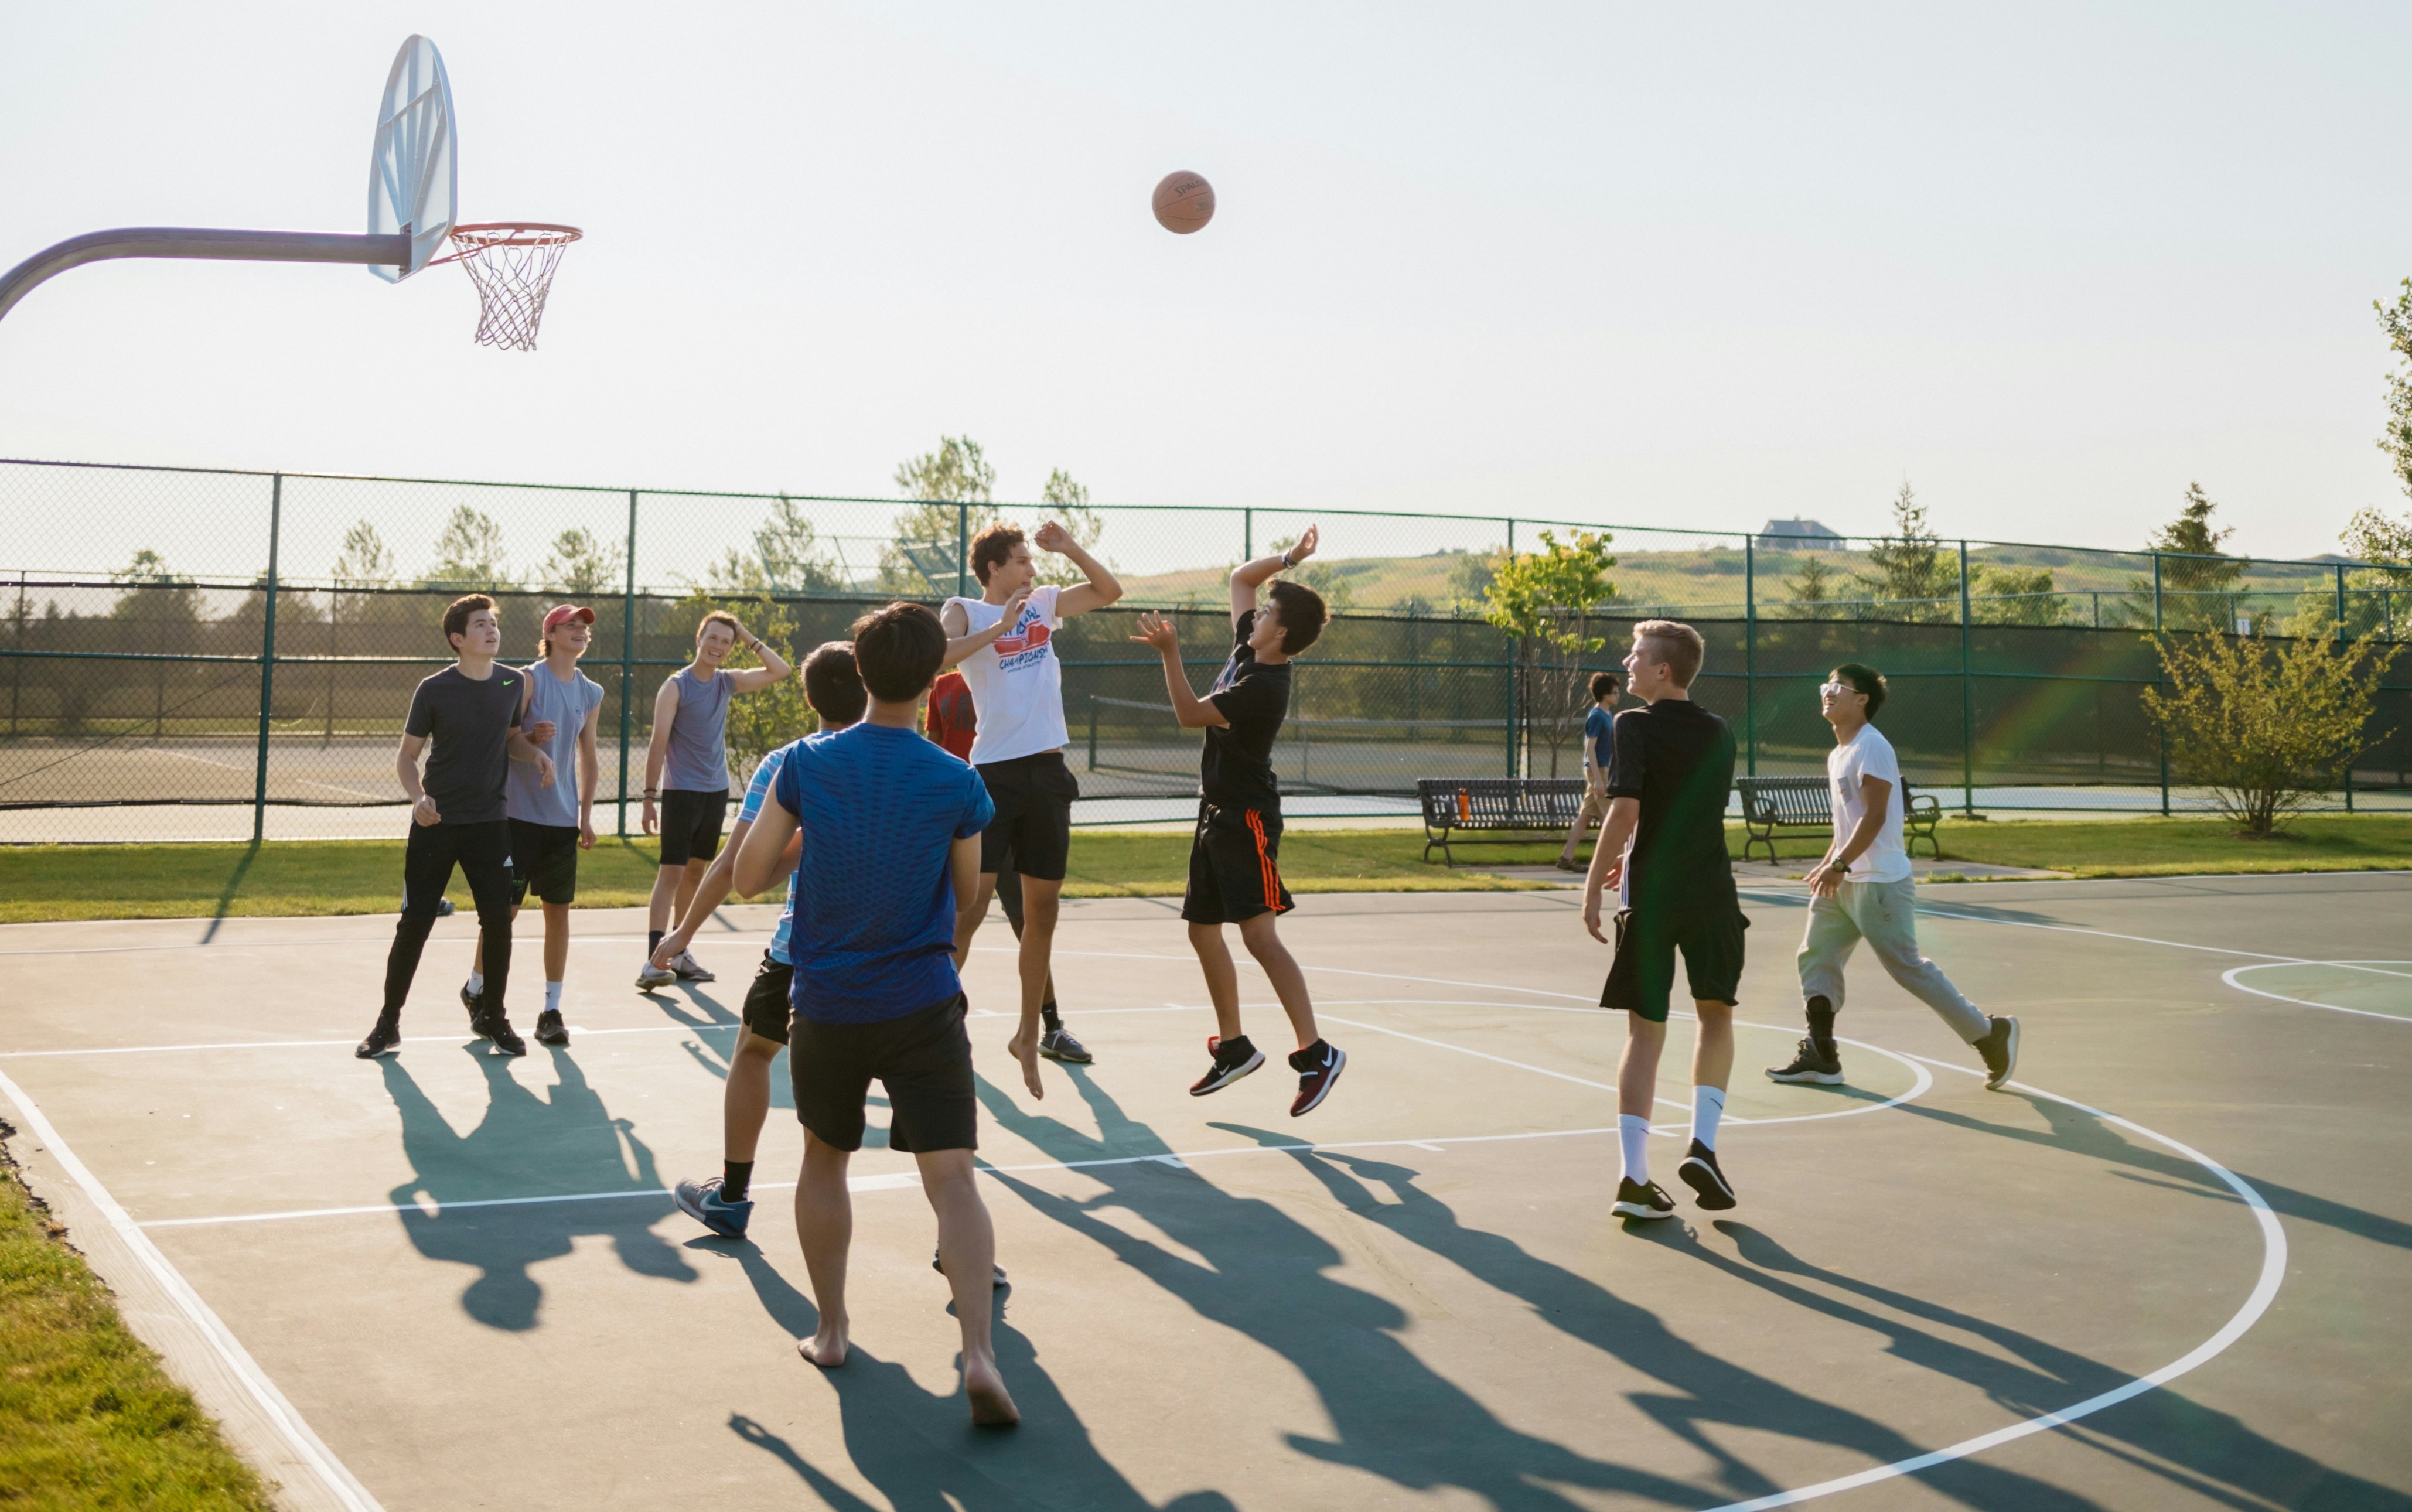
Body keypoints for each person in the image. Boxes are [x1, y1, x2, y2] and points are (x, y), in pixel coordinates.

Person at [730, 601, 1021, 1426]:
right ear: (936, 676)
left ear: (858, 672)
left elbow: (750, 876)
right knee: (954, 1178)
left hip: (827, 999)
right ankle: (978, 1352)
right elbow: (967, 894)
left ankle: (830, 1330)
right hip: (924, 1001)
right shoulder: (956, 778)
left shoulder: (805, 764)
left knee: (825, 1158)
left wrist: (813, 835)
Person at [1125, 525, 1346, 1117]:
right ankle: (1235, 1046)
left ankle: (1316, 1051)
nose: (1258, 610)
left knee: (1258, 936)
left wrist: (1170, 654)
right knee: (1202, 930)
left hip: (1247, 818)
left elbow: (1188, 714)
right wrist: (1290, 558)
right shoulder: (1251, 646)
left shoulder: (1262, 684)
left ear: (1280, 632)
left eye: (1268, 610)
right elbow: (1240, 578)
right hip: (1216, 812)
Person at [663, 642, 860, 1239]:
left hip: (807, 950)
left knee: (754, 1051)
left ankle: (732, 1194)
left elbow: (735, 866)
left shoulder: (791, 761)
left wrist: (682, 931)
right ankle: (963, 1240)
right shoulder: (919, 760)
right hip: (900, 958)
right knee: (920, 1104)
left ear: (808, 697)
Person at [1768, 664, 2021, 1090]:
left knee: (1907, 968)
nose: (1826, 693)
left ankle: (1990, 1034)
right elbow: (1846, 824)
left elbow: (1875, 815)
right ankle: (1821, 1054)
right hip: (1844, 879)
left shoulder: (1872, 746)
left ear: (1861, 698)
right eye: (1824, 686)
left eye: (1837, 687)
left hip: (1880, 882)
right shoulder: (1838, 753)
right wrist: (1830, 860)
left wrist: (1839, 864)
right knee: (1815, 957)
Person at [1581, 620, 1745, 1221]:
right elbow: (1689, 811)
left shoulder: (1633, 724)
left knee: (1645, 1033)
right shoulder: (1720, 731)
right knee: (1715, 1015)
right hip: (1710, 892)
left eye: (1637, 655)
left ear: (1663, 670)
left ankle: (1633, 1177)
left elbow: (1625, 810)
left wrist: (1592, 886)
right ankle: (1702, 1143)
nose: (1627, 661)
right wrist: (1631, 852)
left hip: (1653, 896)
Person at [941, 521, 1119, 1071]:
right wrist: (1001, 627)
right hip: (992, 774)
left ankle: (1029, 1033)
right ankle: (933, 1018)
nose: (1031, 568)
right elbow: (938, 656)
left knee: (1042, 912)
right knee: (968, 909)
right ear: (994, 567)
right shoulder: (964, 609)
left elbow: (1109, 592)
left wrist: (1068, 546)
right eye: (1021, 560)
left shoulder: (1044, 602)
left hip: (1046, 771)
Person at [356, 595, 552, 1060]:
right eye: (480, 625)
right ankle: (388, 1023)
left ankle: (494, 1016)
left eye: (493, 623)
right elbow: (407, 756)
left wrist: (536, 751)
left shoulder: (511, 682)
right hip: (437, 822)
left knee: (498, 924)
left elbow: (510, 741)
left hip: (490, 824)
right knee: (415, 924)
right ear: (458, 639)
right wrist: (419, 798)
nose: (491, 630)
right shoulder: (433, 689)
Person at [459, 603, 604, 1048]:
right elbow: (504, 738)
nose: (580, 632)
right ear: (551, 634)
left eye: (584, 627)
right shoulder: (524, 679)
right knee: (505, 913)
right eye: (571, 626)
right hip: (518, 817)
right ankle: (477, 988)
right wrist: (531, 740)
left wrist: (584, 814)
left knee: (557, 912)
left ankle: (551, 1010)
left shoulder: (590, 692)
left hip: (561, 821)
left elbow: (589, 757)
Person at [637, 610, 792, 989]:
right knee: (671, 873)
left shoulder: (726, 683)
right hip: (680, 792)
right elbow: (658, 742)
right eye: (713, 638)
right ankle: (653, 958)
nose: (718, 646)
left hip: (714, 792)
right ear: (699, 639)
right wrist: (648, 797)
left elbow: (780, 670)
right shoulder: (676, 686)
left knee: (695, 871)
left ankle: (679, 949)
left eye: (726, 641)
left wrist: (748, 636)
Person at [927, 668, 1067, 1046]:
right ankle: (933, 1020)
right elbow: (935, 745)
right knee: (965, 916)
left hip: (1007, 807)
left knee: (1030, 919)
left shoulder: (1016, 676)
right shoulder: (942, 685)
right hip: (969, 816)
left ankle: (1051, 1028)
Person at [1556, 671, 1622, 872]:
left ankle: (1566, 858)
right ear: (1604, 695)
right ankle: (1611, 863)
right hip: (1599, 770)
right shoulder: (1596, 717)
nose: (1618, 695)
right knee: (1611, 818)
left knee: (1585, 817)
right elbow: (1589, 748)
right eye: (1615, 692)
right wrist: (1599, 781)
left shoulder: (1607, 714)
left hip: (1603, 770)